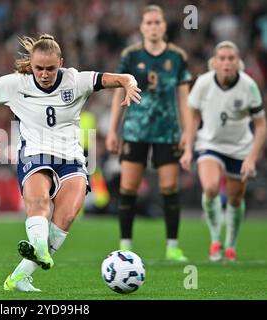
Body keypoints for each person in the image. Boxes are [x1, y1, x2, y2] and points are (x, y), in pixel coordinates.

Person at [0, 34, 141, 292]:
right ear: (31, 65)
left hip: (72, 158)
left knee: (66, 217)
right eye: (39, 68)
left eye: (51, 68)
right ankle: (41, 248)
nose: (44, 74)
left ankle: (20, 276)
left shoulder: (76, 80)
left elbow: (119, 78)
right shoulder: (16, 84)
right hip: (35, 154)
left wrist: (129, 83)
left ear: (61, 63)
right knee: (40, 202)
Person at [106, 5, 191, 261]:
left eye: (157, 22)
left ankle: (173, 246)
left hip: (167, 130)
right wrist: (112, 129)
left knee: (169, 186)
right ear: (142, 27)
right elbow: (119, 91)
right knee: (128, 186)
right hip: (135, 129)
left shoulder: (177, 57)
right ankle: (126, 244)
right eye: (149, 23)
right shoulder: (130, 55)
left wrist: (188, 132)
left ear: (164, 26)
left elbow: (184, 98)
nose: (153, 27)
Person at [180, 41, 266, 262]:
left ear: (237, 62)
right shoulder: (203, 83)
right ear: (215, 62)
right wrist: (188, 148)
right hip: (210, 144)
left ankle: (231, 244)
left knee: (236, 199)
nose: (226, 62)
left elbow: (261, 125)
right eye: (222, 58)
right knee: (210, 187)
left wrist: (252, 158)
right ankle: (215, 239)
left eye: (231, 58)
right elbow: (193, 114)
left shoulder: (249, 86)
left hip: (240, 149)